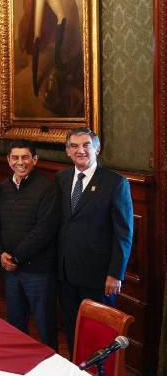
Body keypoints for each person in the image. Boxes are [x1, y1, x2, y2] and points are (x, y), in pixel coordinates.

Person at [56, 128, 133, 352]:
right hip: (66, 272)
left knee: (99, 333)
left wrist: (115, 273)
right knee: (72, 327)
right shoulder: (61, 178)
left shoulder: (115, 183)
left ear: (97, 148)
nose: (81, 150)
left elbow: (124, 233)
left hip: (99, 276)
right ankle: (76, 368)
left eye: (86, 145)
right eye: (74, 146)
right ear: (68, 151)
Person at [0, 140, 59, 349]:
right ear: (8, 160)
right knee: (15, 324)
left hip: (38, 271)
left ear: (35, 160)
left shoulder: (48, 188)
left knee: (44, 325)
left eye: (25, 157)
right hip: (11, 271)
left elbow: (44, 231)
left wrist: (16, 257)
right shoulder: (2, 187)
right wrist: (1, 254)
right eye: (15, 158)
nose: (20, 162)